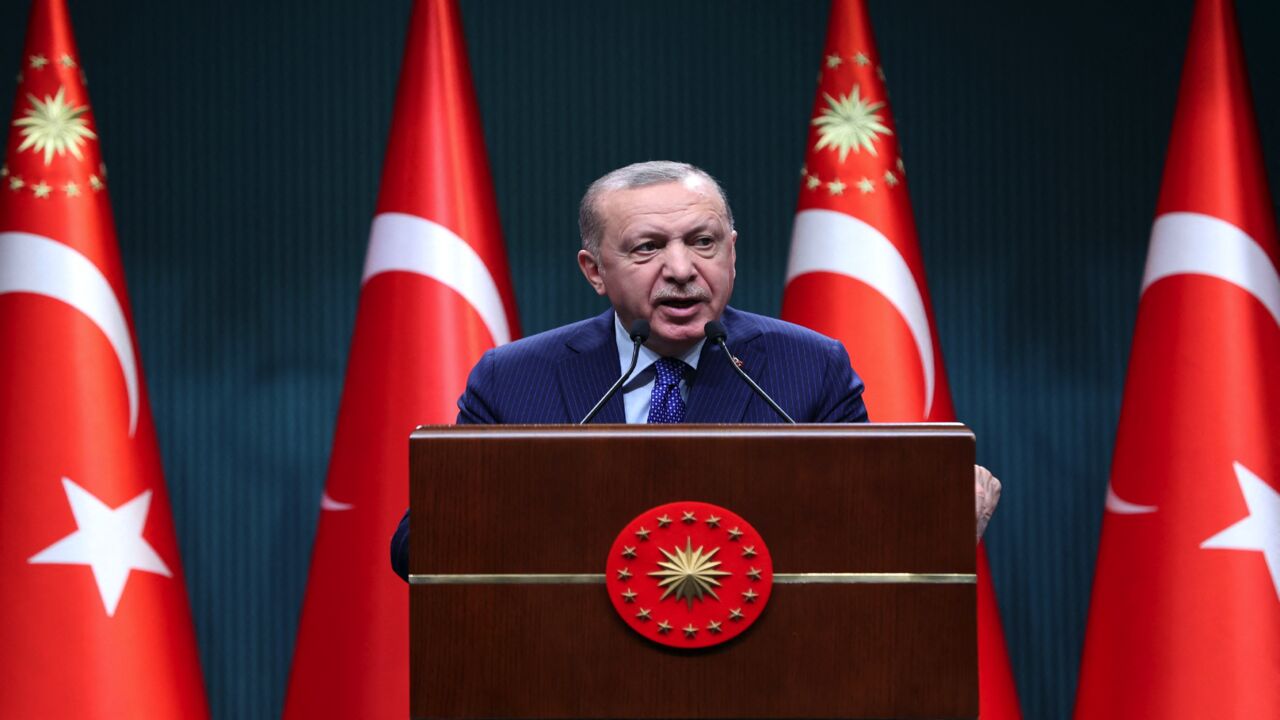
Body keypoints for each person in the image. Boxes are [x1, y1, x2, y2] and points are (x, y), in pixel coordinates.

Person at [391, 161, 1000, 580]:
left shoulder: (807, 368)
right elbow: (417, 549)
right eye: (647, 247)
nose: (682, 268)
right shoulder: (513, 378)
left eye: (703, 242)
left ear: (732, 251)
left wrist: (935, 528)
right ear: (594, 270)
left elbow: (862, 539)